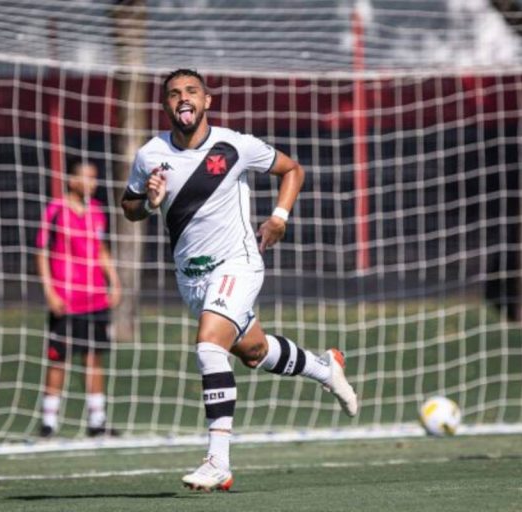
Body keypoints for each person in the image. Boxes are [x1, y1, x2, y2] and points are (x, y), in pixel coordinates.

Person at [121, 69, 358, 491]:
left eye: (191, 91)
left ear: (207, 100)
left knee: (210, 344)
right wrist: (149, 203)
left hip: (238, 263)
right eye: (174, 94)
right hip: (191, 278)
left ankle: (218, 461)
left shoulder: (235, 145)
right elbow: (130, 206)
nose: (183, 99)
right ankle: (325, 369)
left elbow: (292, 170)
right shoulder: (149, 154)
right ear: (165, 106)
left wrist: (280, 218)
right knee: (253, 352)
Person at [35, 161, 122, 437]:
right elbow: (41, 252)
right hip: (66, 298)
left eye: (94, 177)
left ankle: (97, 420)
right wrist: (49, 290)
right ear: (71, 180)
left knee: (94, 357)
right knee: (58, 358)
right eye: (86, 177)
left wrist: (115, 281)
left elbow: (101, 250)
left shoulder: (97, 212)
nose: (91, 183)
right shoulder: (55, 210)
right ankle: (49, 420)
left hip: (94, 298)